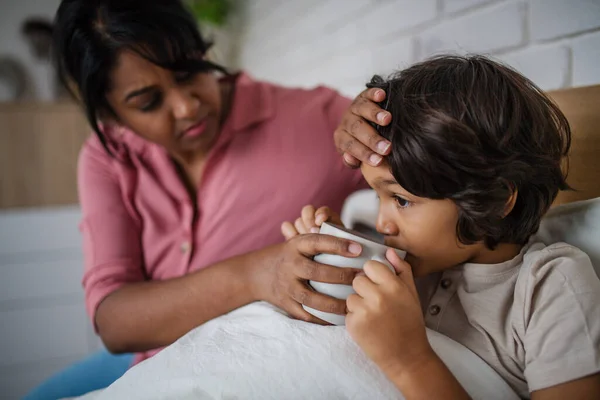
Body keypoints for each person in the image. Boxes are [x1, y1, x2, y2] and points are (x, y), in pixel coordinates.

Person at [24, 0, 393, 398]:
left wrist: (378, 127)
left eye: (189, 73)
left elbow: (426, 177)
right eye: (148, 102)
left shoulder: (316, 121)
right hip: (146, 368)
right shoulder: (107, 156)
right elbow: (115, 322)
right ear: (110, 114)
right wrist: (259, 273)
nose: (186, 107)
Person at [285, 55, 600, 399]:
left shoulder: (549, 289)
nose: (381, 223)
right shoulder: (407, 267)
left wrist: (409, 361)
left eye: (401, 200)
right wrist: (322, 270)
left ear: (496, 200)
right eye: (379, 198)